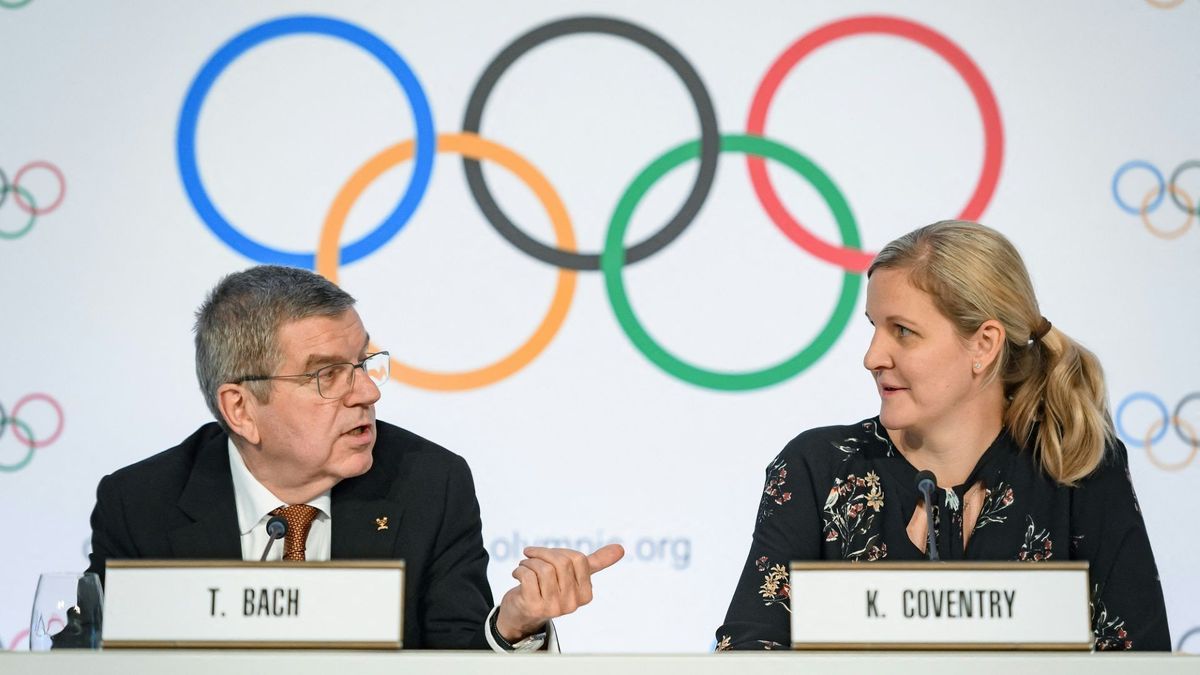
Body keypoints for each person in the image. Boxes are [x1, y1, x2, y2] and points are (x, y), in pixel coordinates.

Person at [85, 264, 623, 651]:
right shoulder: (140, 504)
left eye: (364, 362)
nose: (367, 393)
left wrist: (514, 626)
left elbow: (458, 656)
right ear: (241, 409)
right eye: (327, 375)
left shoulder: (428, 484)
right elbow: (84, 660)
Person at [715, 220, 1170, 651]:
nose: (872, 357)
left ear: (984, 345)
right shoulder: (817, 468)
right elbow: (751, 653)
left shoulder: (1075, 463)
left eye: (904, 332)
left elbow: (1138, 659)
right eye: (874, 327)